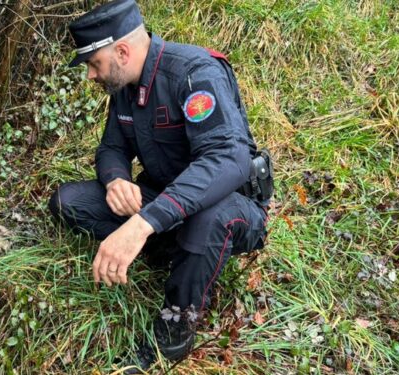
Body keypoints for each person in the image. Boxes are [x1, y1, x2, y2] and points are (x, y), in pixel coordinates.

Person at [47, 0, 273, 370]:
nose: (90, 75)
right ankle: (176, 249)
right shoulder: (125, 85)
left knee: (209, 217)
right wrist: (115, 178)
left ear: (122, 51)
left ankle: (174, 328)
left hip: (230, 206)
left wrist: (142, 224)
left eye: (93, 64)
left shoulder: (195, 74)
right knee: (68, 201)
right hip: (164, 202)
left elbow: (228, 161)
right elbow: (111, 148)